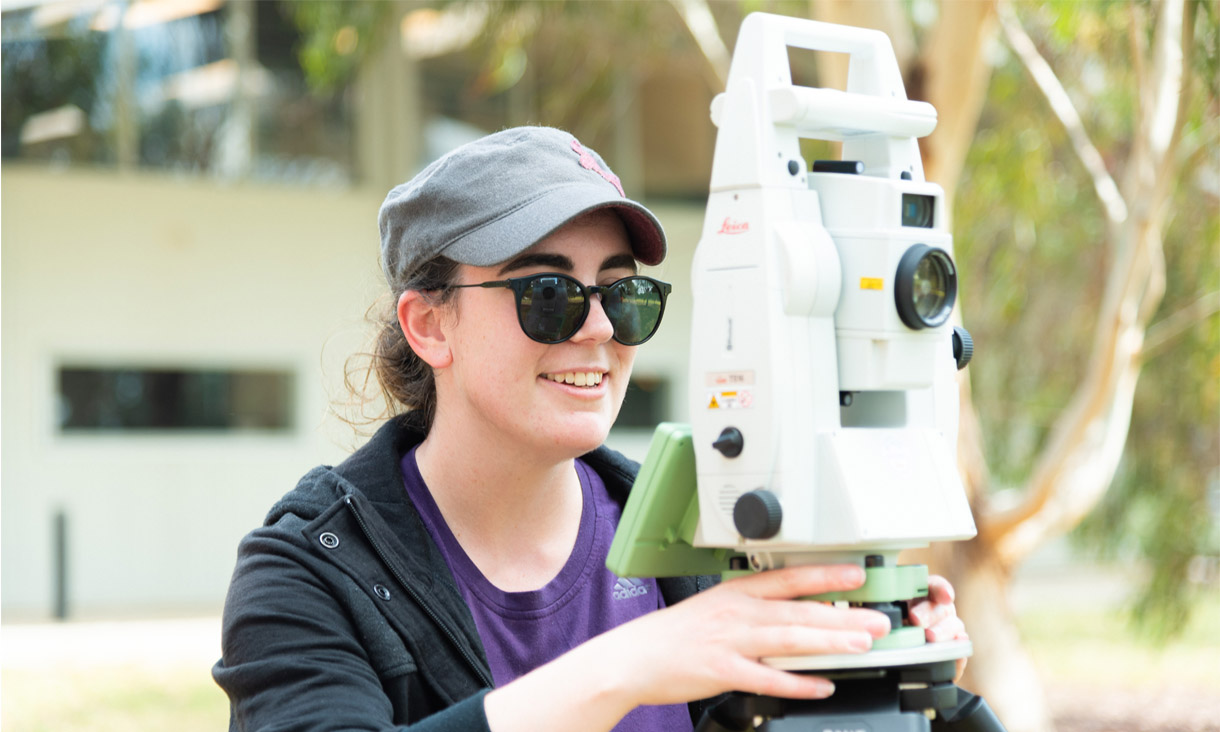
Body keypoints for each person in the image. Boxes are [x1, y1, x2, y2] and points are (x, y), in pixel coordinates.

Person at [212, 126, 968, 732]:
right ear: (429, 325)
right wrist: (630, 667)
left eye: (623, 291)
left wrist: (884, 682)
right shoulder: (308, 574)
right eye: (549, 293)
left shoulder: (707, 539)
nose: (602, 327)